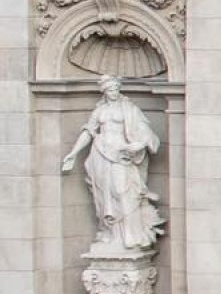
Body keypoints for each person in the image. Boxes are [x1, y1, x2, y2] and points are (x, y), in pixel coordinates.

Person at [62, 77, 164, 252]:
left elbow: (144, 130)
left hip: (120, 154)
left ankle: (131, 236)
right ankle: (111, 234)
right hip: (100, 154)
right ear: (104, 92)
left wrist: (140, 144)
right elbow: (88, 132)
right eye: (110, 89)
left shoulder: (129, 109)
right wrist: (73, 153)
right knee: (104, 195)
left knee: (122, 191)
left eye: (116, 88)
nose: (114, 92)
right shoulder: (99, 111)